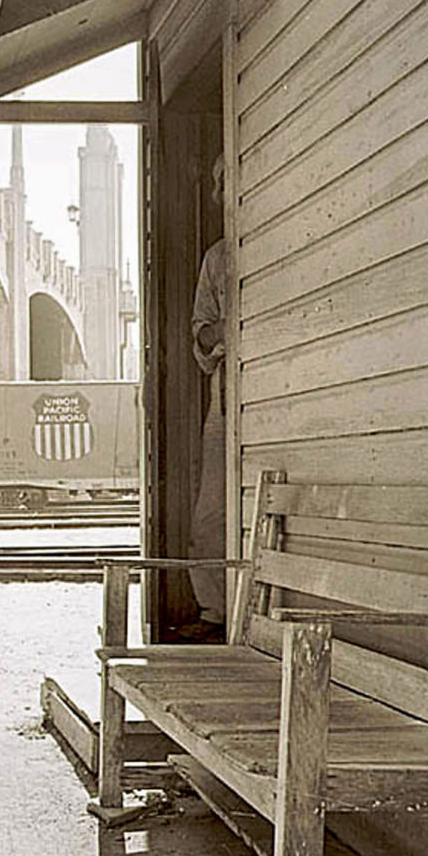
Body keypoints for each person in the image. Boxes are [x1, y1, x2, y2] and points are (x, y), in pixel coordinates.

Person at [186, 155, 229, 641]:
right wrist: (214, 335)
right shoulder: (217, 259)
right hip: (225, 398)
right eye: (217, 184)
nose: (221, 193)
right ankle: (214, 611)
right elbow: (200, 334)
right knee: (210, 513)